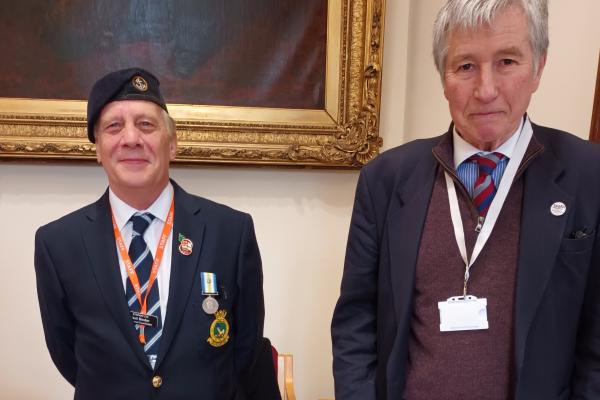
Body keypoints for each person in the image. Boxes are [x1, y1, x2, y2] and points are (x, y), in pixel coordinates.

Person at [331, 0, 600, 399]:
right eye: (466, 66)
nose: (486, 90)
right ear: (444, 76)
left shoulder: (588, 175)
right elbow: (356, 323)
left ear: (539, 66)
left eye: (507, 61)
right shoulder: (385, 180)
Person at [34, 68, 280, 400]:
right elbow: (68, 355)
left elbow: (246, 351)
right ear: (97, 149)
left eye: (146, 125)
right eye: (113, 126)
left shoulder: (231, 232)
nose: (131, 138)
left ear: (173, 143)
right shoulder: (57, 244)